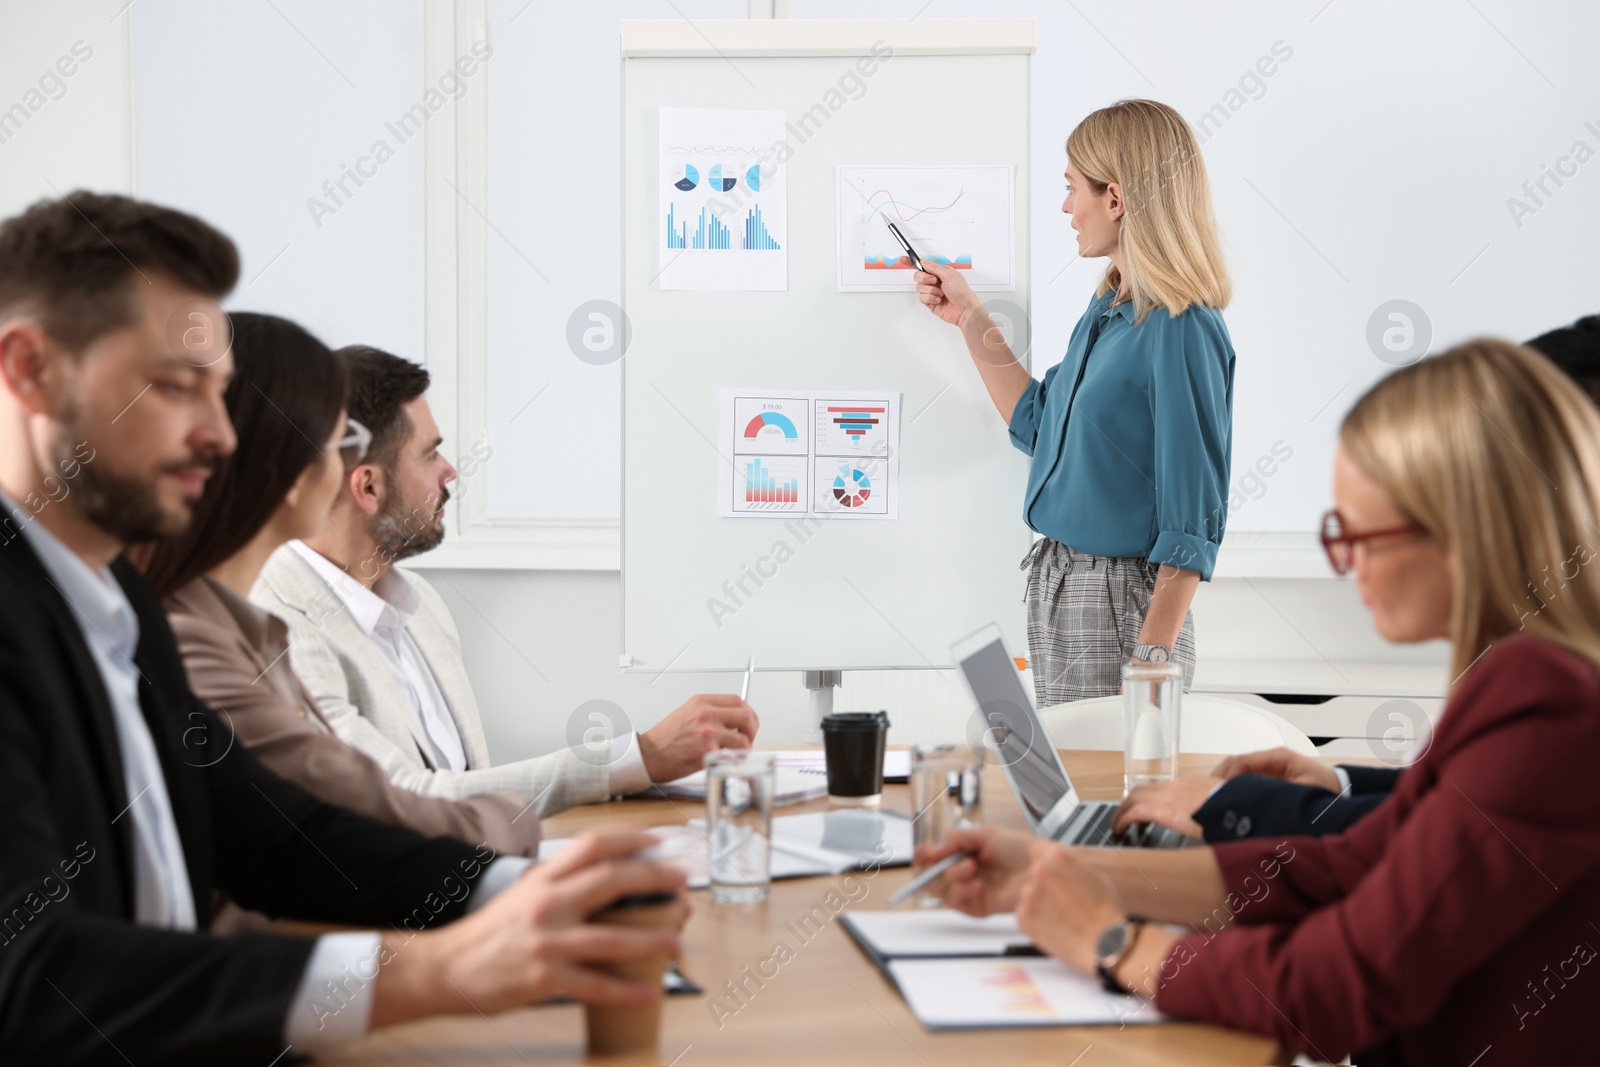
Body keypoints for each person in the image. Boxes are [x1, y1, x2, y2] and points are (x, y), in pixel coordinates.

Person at [0, 191, 685, 1064]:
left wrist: (525, 888)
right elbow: (30, 975)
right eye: (175, 388)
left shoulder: (116, 604)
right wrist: (432, 974)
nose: (219, 435)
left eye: (217, 394)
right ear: (28, 370)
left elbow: (276, 837)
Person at [919, 338, 1600, 1065]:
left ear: (1467, 530)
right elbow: (1341, 867)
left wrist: (1113, 942)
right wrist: (1056, 872)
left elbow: (1334, 985)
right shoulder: (1529, 681)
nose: (1347, 566)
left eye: (1362, 534)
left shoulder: (1548, 701)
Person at [1113, 312, 1600, 843]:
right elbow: (1450, 812)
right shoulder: (1532, 668)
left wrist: (1115, 923)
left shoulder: (1549, 693)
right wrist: (1335, 786)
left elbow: (1409, 889)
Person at [250, 345, 759, 819]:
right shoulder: (277, 631)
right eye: (430, 455)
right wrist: (638, 756)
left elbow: (470, 788)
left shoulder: (419, 605)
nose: (450, 471)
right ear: (369, 486)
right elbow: (404, 798)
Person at [134, 312, 540, 858]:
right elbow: (362, 811)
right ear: (285, 469)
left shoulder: (244, 625)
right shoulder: (212, 636)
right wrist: (513, 830)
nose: (341, 469)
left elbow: (316, 843)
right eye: (331, 440)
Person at [916, 98, 1235, 706]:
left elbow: (1192, 517)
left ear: (1114, 198)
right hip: (1063, 584)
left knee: (1112, 788)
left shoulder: (1180, 326)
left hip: (1119, 601)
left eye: (1072, 190)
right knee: (1074, 786)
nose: (1067, 208)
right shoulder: (1109, 309)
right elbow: (1041, 425)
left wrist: (1153, 657)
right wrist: (969, 318)